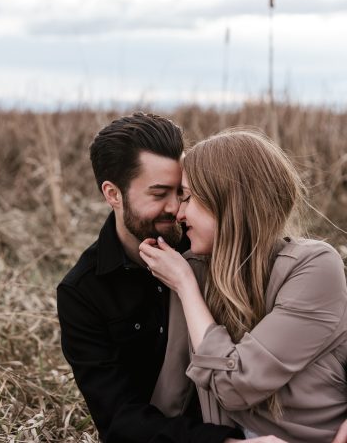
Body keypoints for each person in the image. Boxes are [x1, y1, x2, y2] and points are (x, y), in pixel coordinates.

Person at [57, 114, 286, 443]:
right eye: (159, 193)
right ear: (113, 194)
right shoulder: (83, 291)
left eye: (182, 191)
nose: (177, 208)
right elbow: (120, 418)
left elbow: (310, 325)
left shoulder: (212, 242)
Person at [140, 128, 347, 443]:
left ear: (230, 203)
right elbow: (172, 398)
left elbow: (235, 385)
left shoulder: (314, 266)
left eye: (189, 196)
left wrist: (185, 286)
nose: (179, 213)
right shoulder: (197, 269)